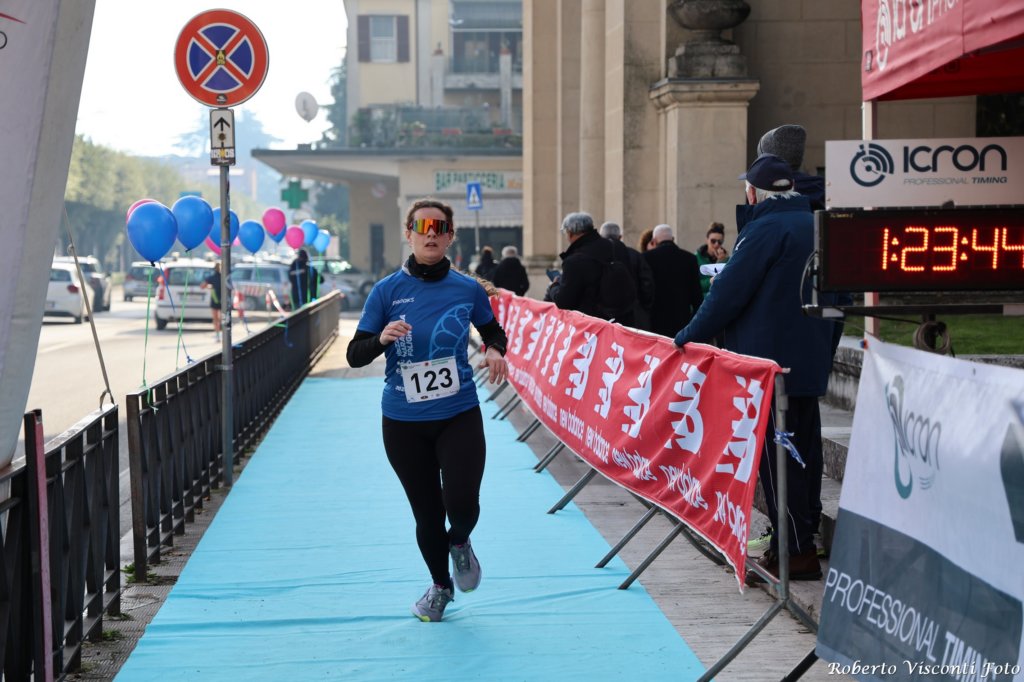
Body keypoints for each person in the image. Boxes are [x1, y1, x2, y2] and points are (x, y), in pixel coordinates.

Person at [673, 153, 841, 585]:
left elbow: (725, 295)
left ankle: (795, 551)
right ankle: (800, 539)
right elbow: (840, 298)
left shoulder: (764, 229)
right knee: (804, 455)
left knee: (778, 461)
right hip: (807, 362)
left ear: (754, 193)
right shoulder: (818, 226)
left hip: (769, 369)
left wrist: (686, 336)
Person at [345, 198, 509, 623]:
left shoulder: (468, 289)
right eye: (422, 227)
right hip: (404, 422)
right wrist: (381, 338)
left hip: (458, 413)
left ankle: (461, 541)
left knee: (462, 503)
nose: (430, 234)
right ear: (409, 235)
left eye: (439, 228)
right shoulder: (386, 292)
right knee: (427, 514)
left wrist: (494, 350)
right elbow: (354, 355)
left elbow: (492, 330)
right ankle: (440, 586)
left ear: (450, 236)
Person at [544, 211, 635, 321]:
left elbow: (564, 302)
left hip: (591, 322)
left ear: (570, 233)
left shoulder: (574, 261)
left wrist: (554, 287)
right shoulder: (614, 246)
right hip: (622, 318)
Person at [642, 224, 703, 338]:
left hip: (655, 322)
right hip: (682, 322)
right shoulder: (689, 258)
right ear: (673, 239)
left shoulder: (646, 258)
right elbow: (697, 297)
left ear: (654, 241)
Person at [600, 221, 655, 330]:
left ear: (601, 237)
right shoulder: (635, 255)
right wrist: (644, 307)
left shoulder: (595, 256)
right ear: (620, 237)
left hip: (604, 315)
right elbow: (647, 283)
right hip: (634, 313)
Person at [695, 222, 729, 296]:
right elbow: (694, 285)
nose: (716, 244)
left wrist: (722, 262)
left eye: (720, 242)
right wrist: (710, 281)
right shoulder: (696, 258)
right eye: (713, 241)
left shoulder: (727, 259)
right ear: (707, 240)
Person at [200, 262, 224, 341]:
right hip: (223, 299)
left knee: (215, 318)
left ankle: (217, 335)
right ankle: (221, 334)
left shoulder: (211, 277)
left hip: (215, 299)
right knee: (222, 318)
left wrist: (209, 287)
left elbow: (202, 286)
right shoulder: (224, 277)